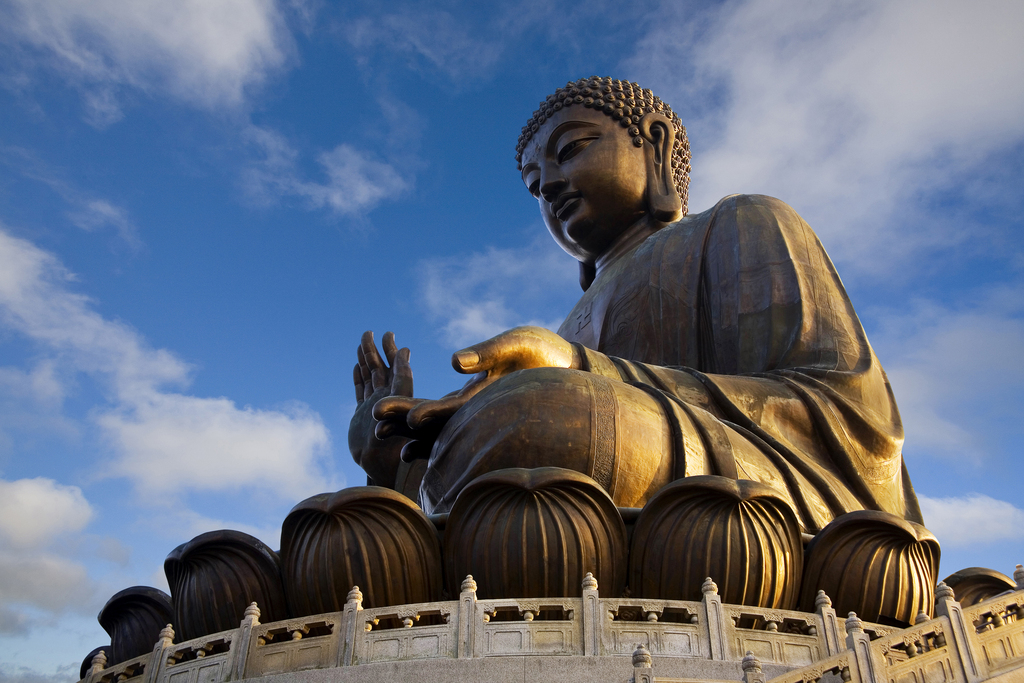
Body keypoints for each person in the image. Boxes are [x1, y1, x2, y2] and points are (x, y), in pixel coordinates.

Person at [348, 77, 923, 536]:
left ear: (657, 143)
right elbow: (491, 468)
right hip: (590, 512)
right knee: (354, 525)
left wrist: (577, 372)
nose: (548, 185)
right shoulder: (568, 326)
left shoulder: (743, 223)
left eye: (570, 150)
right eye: (532, 184)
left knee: (538, 413)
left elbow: (847, 418)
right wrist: (398, 459)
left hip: (755, 503)